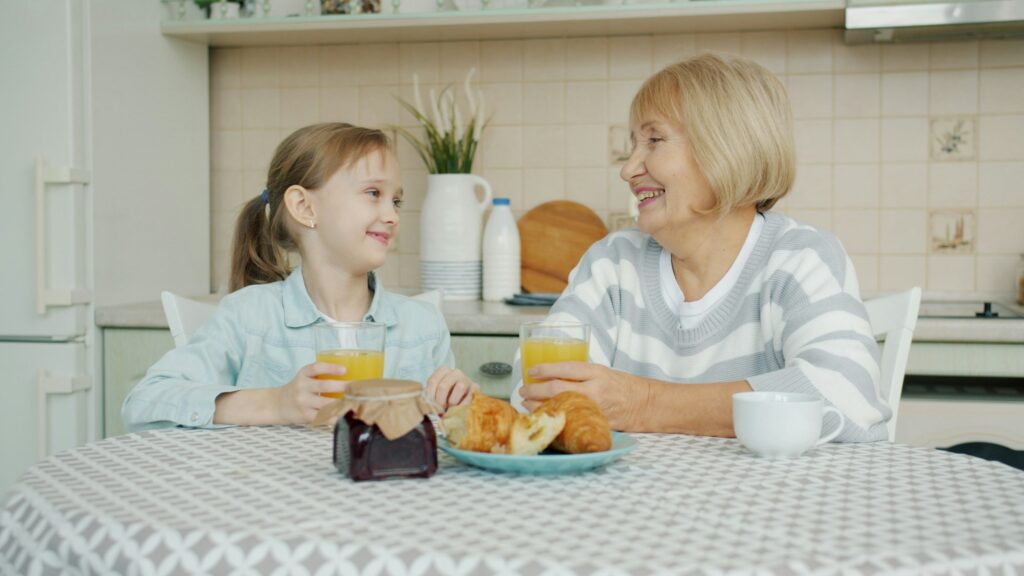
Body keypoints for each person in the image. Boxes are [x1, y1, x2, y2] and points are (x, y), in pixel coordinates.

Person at [514, 54, 890, 442]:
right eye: (633, 146)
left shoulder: (800, 259)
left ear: (727, 149)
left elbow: (845, 396)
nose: (628, 170)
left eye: (654, 140)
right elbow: (536, 387)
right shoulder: (611, 263)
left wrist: (643, 404)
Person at [123, 123, 476, 432]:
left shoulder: (423, 326)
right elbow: (143, 402)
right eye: (374, 194)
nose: (393, 216)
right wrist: (275, 403)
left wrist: (460, 405)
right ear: (305, 207)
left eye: (396, 201)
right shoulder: (249, 317)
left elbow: (450, 431)